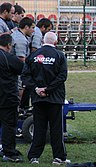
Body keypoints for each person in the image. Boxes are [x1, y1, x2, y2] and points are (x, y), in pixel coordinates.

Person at [21, 32, 70, 165]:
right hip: (55, 98)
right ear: (55, 42)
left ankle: (34, 156)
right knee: (56, 128)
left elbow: (25, 76)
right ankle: (59, 157)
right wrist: (48, 90)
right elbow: (62, 76)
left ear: (43, 41)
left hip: (38, 98)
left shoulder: (33, 55)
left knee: (39, 127)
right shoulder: (60, 55)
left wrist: (37, 88)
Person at [0, 34, 24, 162]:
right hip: (7, 97)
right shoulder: (9, 58)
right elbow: (22, 69)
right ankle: (9, 152)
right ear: (9, 45)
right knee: (9, 125)